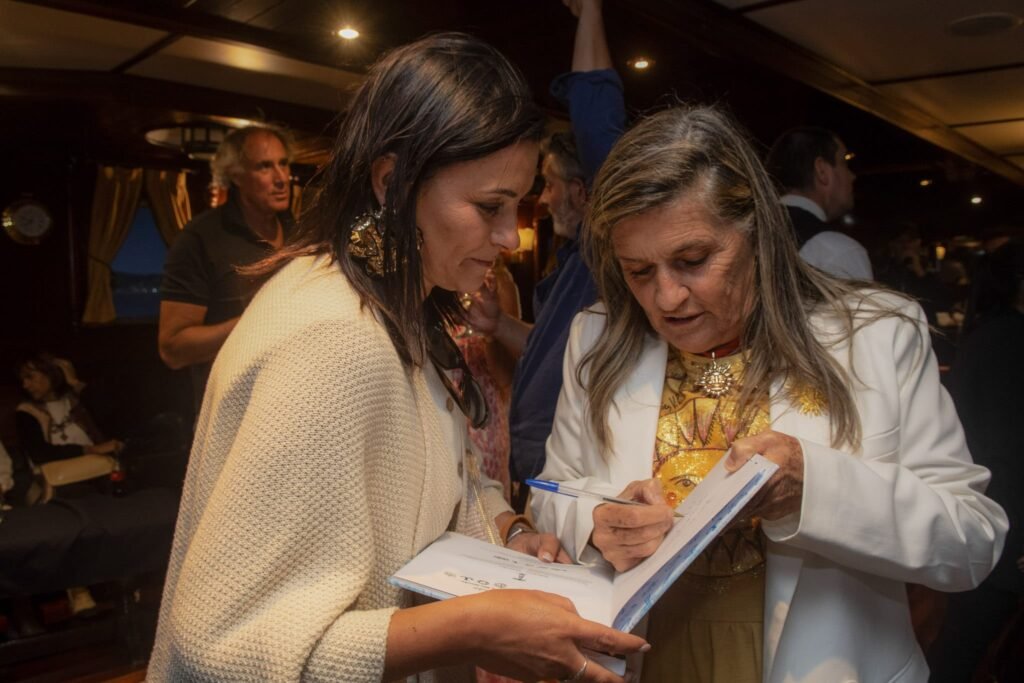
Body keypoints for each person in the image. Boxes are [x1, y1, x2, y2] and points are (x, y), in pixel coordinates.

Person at [147, 33, 649, 683]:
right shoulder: (332, 338)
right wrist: (473, 629)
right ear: (392, 183)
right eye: (489, 206)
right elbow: (226, 648)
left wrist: (508, 532)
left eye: (518, 205)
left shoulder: (397, 306)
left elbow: (446, 475)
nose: (509, 236)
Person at [531, 105, 1007, 682]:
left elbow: (972, 539)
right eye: (639, 271)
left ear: (757, 233)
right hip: (645, 656)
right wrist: (594, 521)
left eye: (692, 261)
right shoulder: (597, 336)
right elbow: (551, 493)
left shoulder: (876, 334)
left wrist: (815, 487)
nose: (666, 298)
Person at [468, 0, 625, 495]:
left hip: (572, 478)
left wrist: (590, 12)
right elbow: (554, 349)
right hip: (538, 474)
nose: (543, 198)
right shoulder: (573, 263)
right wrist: (499, 324)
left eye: (549, 184)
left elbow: (597, 121)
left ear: (583, 192)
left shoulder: (608, 246)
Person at [927, 239, 1024, 682]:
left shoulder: (991, 333)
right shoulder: (1008, 340)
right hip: (1002, 532)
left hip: (989, 523)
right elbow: (1005, 448)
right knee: (965, 655)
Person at [158, 123, 294, 411]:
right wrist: (255, 322)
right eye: (264, 167)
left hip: (297, 403)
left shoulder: (302, 233)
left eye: (283, 164)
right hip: (233, 412)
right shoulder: (200, 238)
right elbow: (173, 349)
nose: (282, 178)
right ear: (236, 175)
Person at [766, 126, 872, 280]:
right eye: (844, 163)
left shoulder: (745, 234)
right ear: (822, 171)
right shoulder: (838, 253)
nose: (852, 176)